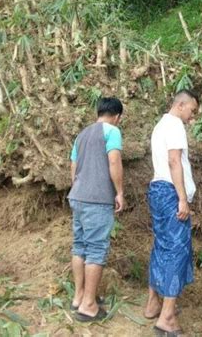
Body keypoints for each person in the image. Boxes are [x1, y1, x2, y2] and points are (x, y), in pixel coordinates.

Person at [144, 89, 198, 336]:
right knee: (177, 250)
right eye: (192, 111)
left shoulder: (160, 126)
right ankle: (167, 317)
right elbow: (174, 160)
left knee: (162, 245)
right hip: (170, 193)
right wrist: (182, 199)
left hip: (157, 190)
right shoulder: (175, 125)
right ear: (181, 105)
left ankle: (153, 303)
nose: (192, 116)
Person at [67, 97, 125, 322]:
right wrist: (119, 192)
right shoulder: (112, 131)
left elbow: (73, 165)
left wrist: (78, 187)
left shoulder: (82, 134)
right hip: (97, 199)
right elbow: (114, 161)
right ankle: (89, 305)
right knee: (96, 249)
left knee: (79, 246)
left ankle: (79, 296)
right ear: (117, 116)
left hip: (78, 196)